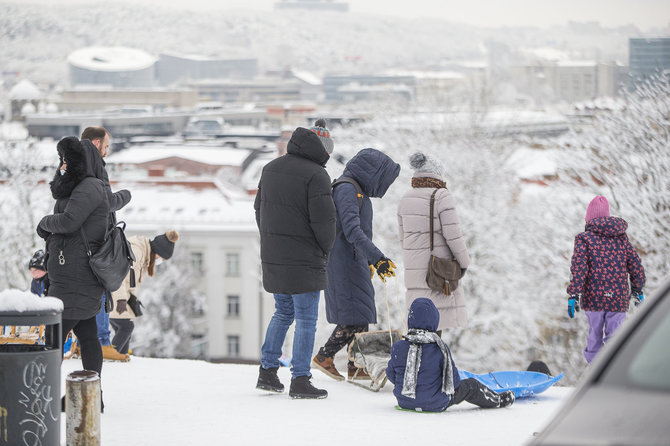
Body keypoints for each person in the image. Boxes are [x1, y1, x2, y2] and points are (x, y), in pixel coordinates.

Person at [254, 119, 336, 399]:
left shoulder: (270, 168)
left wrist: (272, 242)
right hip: (305, 260)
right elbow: (325, 224)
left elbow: (258, 210)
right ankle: (300, 378)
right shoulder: (317, 175)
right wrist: (324, 251)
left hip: (275, 256)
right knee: (305, 319)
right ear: (322, 149)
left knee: (283, 312)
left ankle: (267, 372)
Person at [312, 148, 400, 381]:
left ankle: (356, 366)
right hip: (345, 263)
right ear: (372, 173)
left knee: (362, 314)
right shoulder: (347, 190)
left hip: (352, 260)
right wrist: (378, 259)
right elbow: (352, 231)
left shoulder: (354, 190)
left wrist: (369, 260)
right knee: (355, 317)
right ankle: (325, 356)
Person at [36, 136, 109, 410]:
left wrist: (44, 222)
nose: (63, 164)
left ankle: (40, 394)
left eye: (68, 159)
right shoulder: (86, 186)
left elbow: (69, 221)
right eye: (61, 159)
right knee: (87, 334)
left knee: (52, 339)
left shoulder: (89, 187)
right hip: (74, 274)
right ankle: (92, 397)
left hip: (75, 276)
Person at [387, 298, 514, 412]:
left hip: (404, 402)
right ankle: (497, 400)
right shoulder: (439, 348)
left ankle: (414, 399)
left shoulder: (398, 347)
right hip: (435, 403)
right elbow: (454, 382)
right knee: (472, 386)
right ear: (435, 320)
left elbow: (391, 375)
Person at [396, 152, 470, 333]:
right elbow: (454, 235)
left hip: (415, 273)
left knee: (420, 329)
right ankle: (432, 362)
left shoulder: (405, 199)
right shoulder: (441, 196)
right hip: (437, 273)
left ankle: (420, 361)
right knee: (435, 328)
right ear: (436, 173)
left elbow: (402, 239)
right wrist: (464, 262)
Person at [567, 195, 645, 363]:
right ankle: (612, 372)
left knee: (594, 334)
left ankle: (593, 372)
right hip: (618, 297)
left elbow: (579, 268)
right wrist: (638, 288)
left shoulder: (584, 239)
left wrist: (574, 294)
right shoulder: (622, 238)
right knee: (614, 337)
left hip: (594, 297)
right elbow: (635, 264)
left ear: (589, 218)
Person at [80, 126, 133, 361]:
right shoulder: (93, 168)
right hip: (96, 240)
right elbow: (104, 202)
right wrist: (124, 196)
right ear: (95, 143)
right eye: (106, 145)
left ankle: (90, 341)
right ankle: (101, 342)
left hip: (84, 239)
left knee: (90, 292)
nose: (107, 150)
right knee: (101, 289)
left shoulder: (74, 165)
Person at [109, 230, 180, 356]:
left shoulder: (144, 254)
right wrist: (121, 299)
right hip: (116, 292)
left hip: (121, 294)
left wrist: (132, 300)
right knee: (126, 327)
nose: (160, 261)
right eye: (161, 258)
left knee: (125, 327)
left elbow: (130, 282)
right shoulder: (137, 252)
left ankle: (121, 356)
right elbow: (119, 275)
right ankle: (112, 355)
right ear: (157, 253)